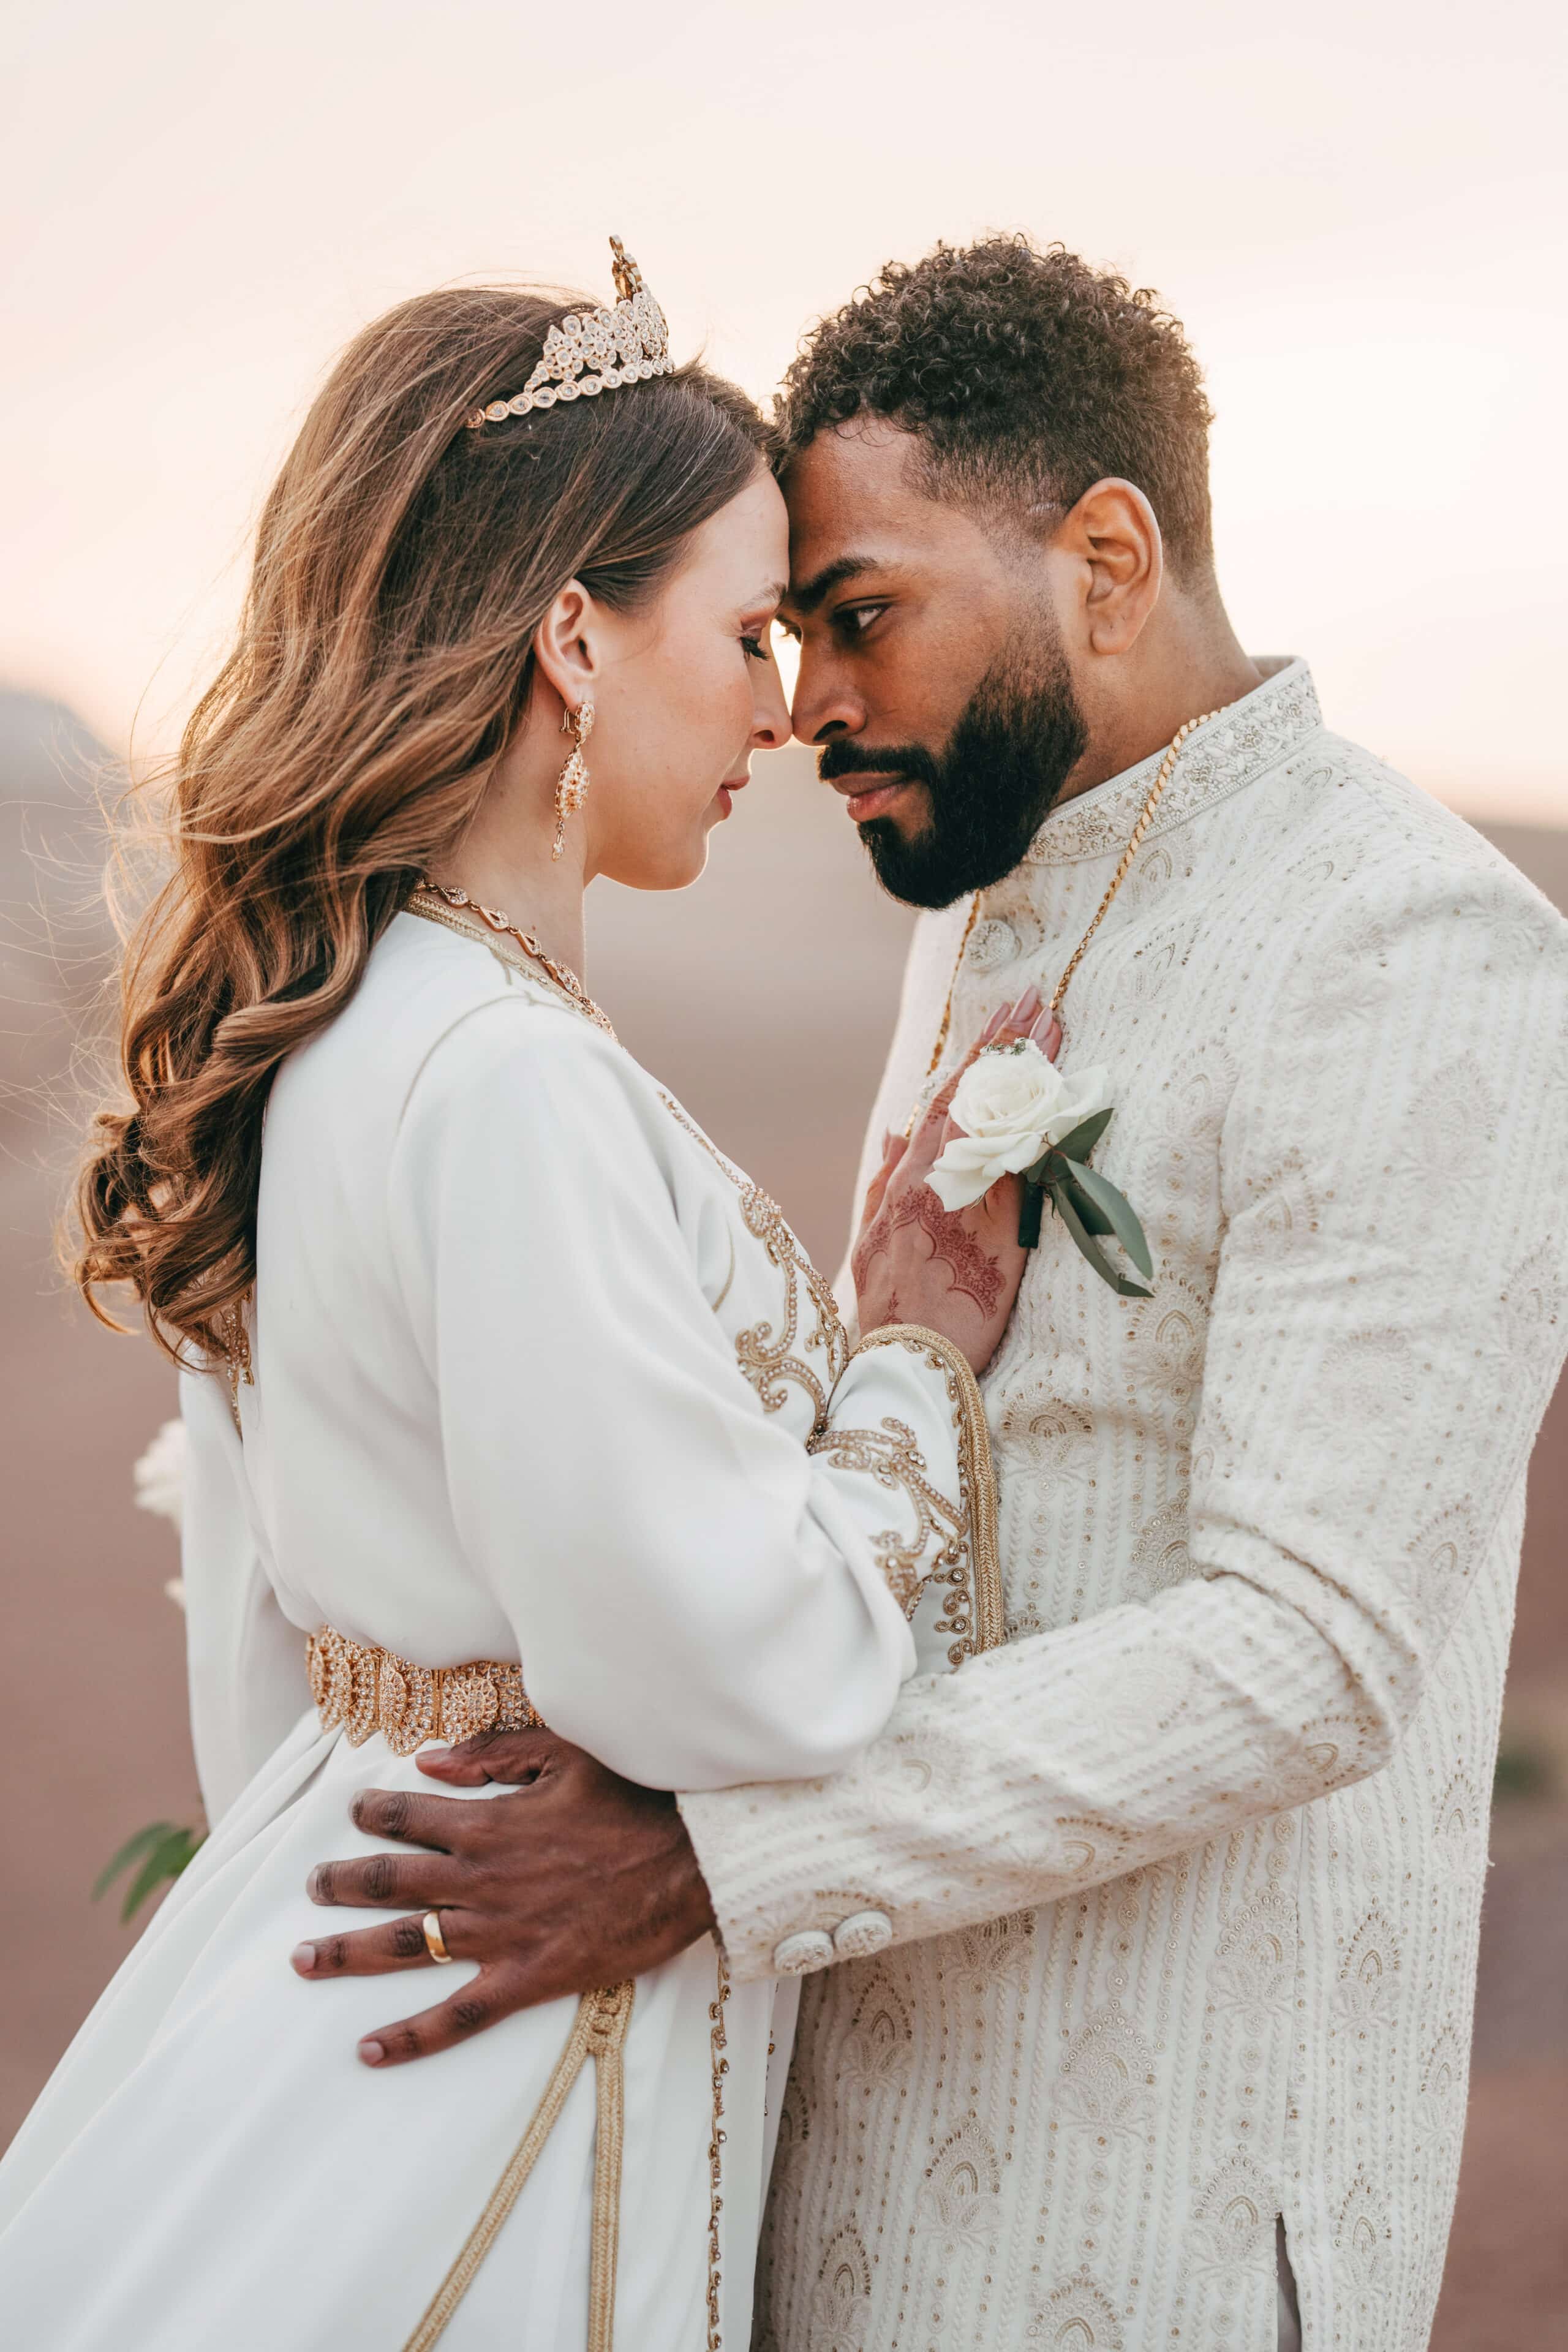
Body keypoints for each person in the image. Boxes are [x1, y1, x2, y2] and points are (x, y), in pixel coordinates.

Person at [304, 239, 1568, 2351]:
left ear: (1104, 556)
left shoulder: (1415, 946)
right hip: (824, 2170)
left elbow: (1318, 1648)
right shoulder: (977, 910)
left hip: (1155, 2203)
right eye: (787, 633)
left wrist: (711, 1857)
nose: (811, 708)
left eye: (864, 616)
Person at [0, 244, 1041, 2351]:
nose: (779, 701)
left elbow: (261, 1696)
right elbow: (738, 1686)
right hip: (508, 2062)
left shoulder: (328, 1025)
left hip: (327, 1981)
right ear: (576, 633)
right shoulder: (507, 1082)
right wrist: (918, 1356)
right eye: (743, 630)